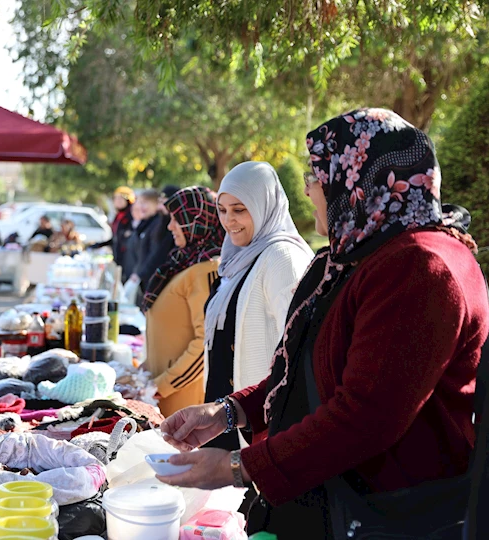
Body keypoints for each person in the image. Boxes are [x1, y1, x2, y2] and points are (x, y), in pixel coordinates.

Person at [158, 109, 489, 539]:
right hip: (334, 501)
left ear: (356, 181)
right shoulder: (357, 254)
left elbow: (366, 415)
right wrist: (229, 411)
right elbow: (305, 372)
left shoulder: (420, 267)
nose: (310, 190)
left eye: (317, 176)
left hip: (388, 515)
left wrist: (240, 467)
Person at [202, 162, 313, 450]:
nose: (229, 220)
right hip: (225, 419)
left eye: (239, 209)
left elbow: (299, 355)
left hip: (261, 428)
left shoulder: (282, 258)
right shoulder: (236, 258)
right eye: (223, 210)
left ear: (264, 205)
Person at [141, 186, 225, 417]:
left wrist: (165, 383)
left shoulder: (208, 268)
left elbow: (205, 344)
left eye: (177, 220)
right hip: (165, 395)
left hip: (183, 401)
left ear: (196, 222)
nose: (170, 227)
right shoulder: (185, 260)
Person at [135, 185, 180, 292]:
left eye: (164, 203)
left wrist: (142, 274)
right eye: (160, 202)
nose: (160, 207)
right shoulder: (160, 223)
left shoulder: (173, 229)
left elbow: (159, 255)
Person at [122, 189, 160, 284]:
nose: (141, 207)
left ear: (156, 204)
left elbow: (153, 255)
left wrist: (139, 274)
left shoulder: (157, 225)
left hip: (146, 281)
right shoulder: (144, 224)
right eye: (140, 203)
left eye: (145, 203)